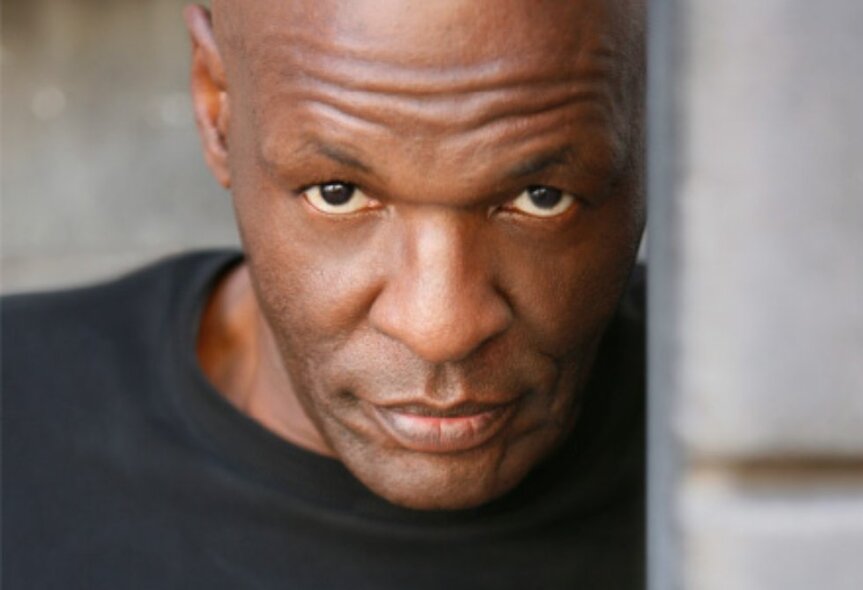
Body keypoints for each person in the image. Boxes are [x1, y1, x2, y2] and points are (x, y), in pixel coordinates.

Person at [2, 0, 646, 588]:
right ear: (216, 100)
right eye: (337, 192)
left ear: (661, 123)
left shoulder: (736, 430)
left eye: (542, 197)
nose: (440, 326)